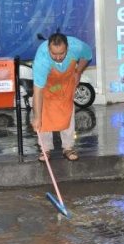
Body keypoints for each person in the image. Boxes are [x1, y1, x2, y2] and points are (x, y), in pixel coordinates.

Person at [31, 32, 92, 161]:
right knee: (43, 113)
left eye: (61, 54)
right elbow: (38, 91)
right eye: (54, 54)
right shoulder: (42, 59)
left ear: (68, 48)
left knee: (67, 110)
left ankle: (68, 147)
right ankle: (45, 149)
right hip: (48, 86)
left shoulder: (77, 46)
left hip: (66, 82)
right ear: (48, 49)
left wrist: (78, 71)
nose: (58, 57)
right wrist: (36, 117)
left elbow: (87, 55)